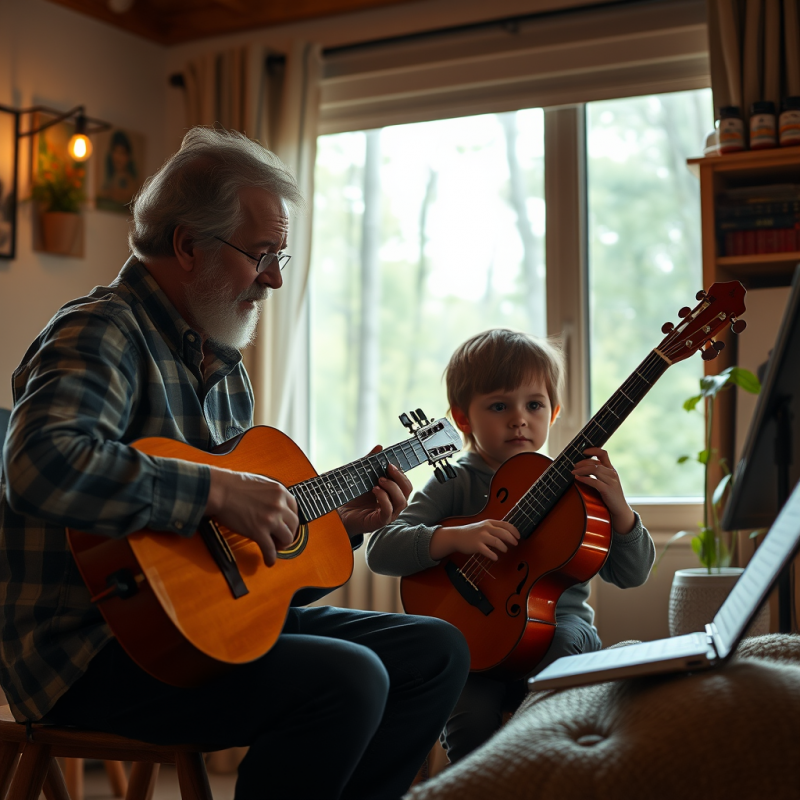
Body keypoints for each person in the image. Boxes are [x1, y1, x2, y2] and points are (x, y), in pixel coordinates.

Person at [0, 127, 470, 800]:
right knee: (348, 678)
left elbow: (235, 575)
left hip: (191, 637)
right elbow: (39, 465)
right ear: (190, 246)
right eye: (263, 254)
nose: (276, 277)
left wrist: (341, 525)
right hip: (87, 654)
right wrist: (214, 490)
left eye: (281, 255)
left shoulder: (225, 371)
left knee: (436, 653)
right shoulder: (99, 331)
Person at [366, 328, 655, 762]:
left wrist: (621, 511)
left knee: (556, 688)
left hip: (560, 628)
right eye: (499, 406)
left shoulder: (577, 489)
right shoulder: (455, 481)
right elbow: (381, 549)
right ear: (462, 418)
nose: (519, 418)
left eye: (534, 405)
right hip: (477, 639)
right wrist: (455, 536)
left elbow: (630, 575)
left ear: (553, 413)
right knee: (469, 725)